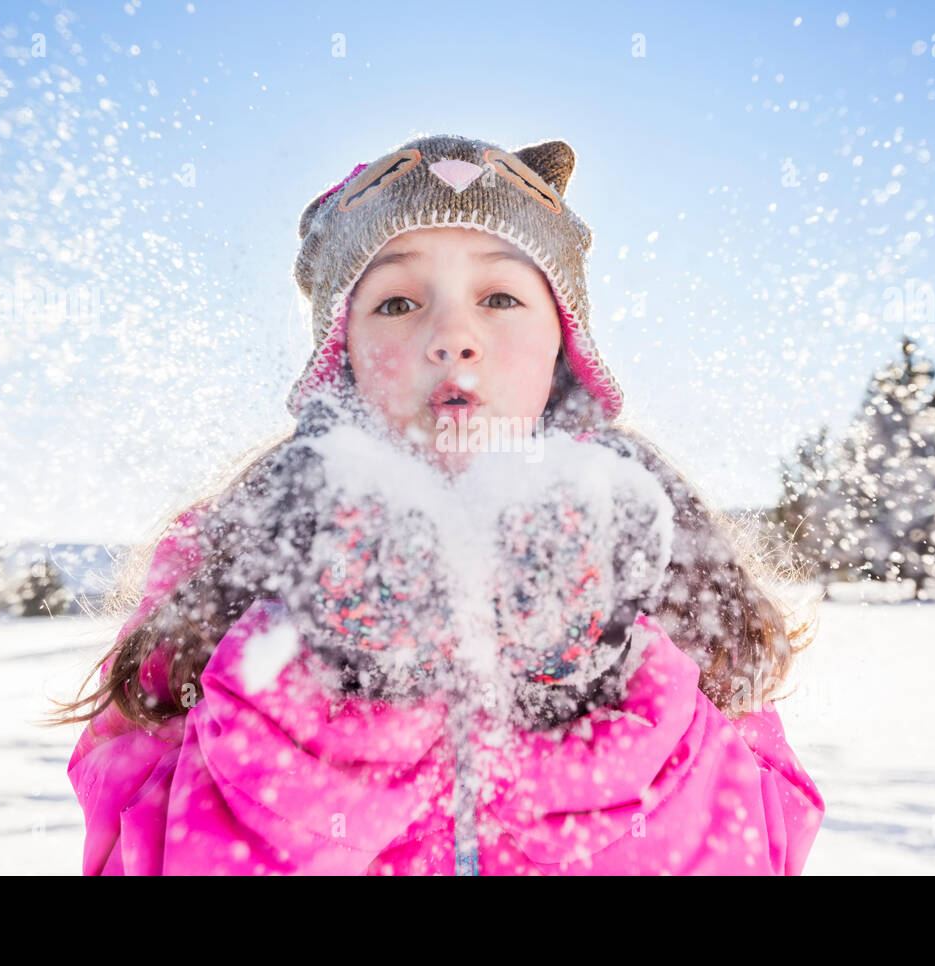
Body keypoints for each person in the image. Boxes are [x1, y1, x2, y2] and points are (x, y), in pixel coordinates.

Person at [46, 134, 825, 875]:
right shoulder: (236, 550)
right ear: (339, 356)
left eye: (498, 296)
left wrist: (589, 691)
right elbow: (136, 850)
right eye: (395, 304)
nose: (452, 335)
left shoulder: (657, 547)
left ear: (565, 345)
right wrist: (347, 697)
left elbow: (759, 843)